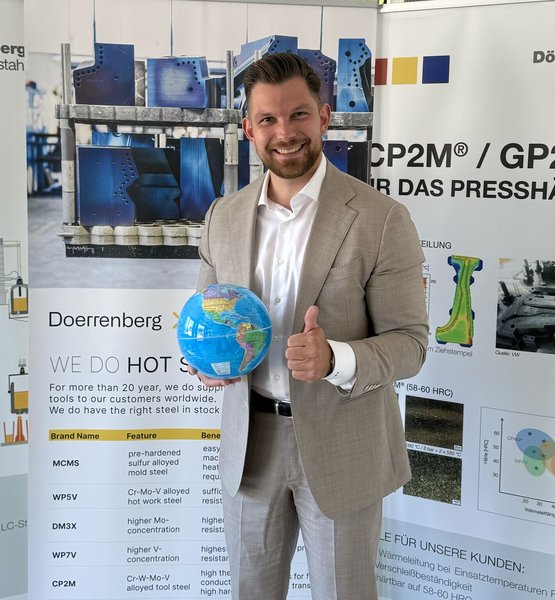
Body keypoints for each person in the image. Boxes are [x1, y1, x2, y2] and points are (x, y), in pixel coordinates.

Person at [190, 52, 428, 600]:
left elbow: (411, 345)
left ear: (323, 117)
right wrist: (204, 363)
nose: (285, 133)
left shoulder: (380, 218)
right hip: (250, 446)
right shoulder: (222, 217)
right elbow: (206, 316)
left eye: (298, 114)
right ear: (249, 129)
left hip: (345, 445)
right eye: (268, 119)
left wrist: (336, 359)